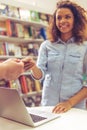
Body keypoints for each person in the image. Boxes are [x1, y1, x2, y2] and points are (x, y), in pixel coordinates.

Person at [22, 0, 87, 113]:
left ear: (75, 20)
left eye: (67, 17)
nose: (62, 21)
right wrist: (33, 67)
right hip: (49, 105)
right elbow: (40, 75)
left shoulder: (84, 47)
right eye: (59, 17)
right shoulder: (46, 46)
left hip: (74, 107)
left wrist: (69, 103)